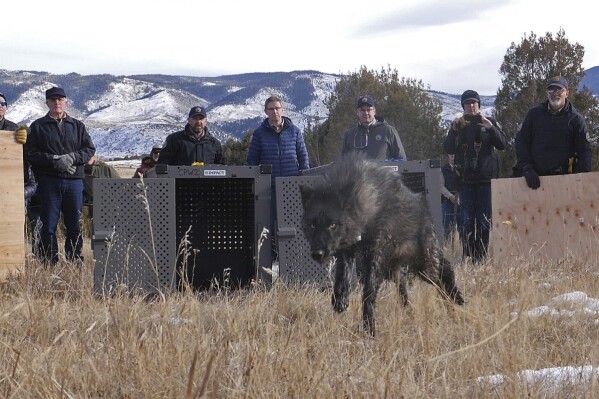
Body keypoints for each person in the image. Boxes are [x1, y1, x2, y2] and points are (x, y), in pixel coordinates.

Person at [24, 87, 96, 264]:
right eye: (53, 99)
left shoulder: (78, 126)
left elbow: (89, 150)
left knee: (74, 224)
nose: (57, 102)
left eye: (60, 99)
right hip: (49, 181)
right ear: (47, 102)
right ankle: (48, 260)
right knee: (48, 224)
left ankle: (75, 260)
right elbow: (30, 153)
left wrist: (72, 158)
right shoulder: (38, 126)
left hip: (74, 182)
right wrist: (54, 160)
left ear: (66, 102)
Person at [443, 89, 508, 262]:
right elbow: (448, 148)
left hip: (486, 181)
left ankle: (481, 257)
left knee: (484, 222)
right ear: (463, 106)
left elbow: (503, 145)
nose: (471, 106)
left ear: (479, 105)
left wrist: (491, 128)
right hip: (465, 182)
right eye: (467, 103)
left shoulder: (489, 122)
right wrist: (454, 131)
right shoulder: (458, 125)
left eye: (474, 103)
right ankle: (467, 256)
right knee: (466, 221)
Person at [246, 95, 310, 260]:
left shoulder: (294, 131)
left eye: (277, 108)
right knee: (271, 223)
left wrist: (304, 180)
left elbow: (303, 158)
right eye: (271, 109)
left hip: (292, 186)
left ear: (282, 110)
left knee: (294, 223)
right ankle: (272, 258)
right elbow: (252, 161)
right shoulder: (259, 134)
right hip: (270, 187)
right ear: (266, 112)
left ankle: (294, 257)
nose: (275, 111)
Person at [515, 76, 592, 189]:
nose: (555, 93)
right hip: (534, 181)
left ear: (567, 93)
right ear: (547, 93)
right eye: (551, 90)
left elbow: (584, 152)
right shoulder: (533, 115)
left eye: (559, 90)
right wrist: (527, 168)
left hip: (564, 182)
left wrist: (578, 181)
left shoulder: (576, 120)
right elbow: (521, 142)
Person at [341, 95, 406, 161]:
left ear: (374, 111)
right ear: (357, 113)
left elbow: (401, 160)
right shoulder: (349, 134)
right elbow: (343, 162)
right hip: (357, 171)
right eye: (362, 110)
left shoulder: (388, 130)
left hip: (382, 171)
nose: (366, 113)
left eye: (368, 110)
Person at [157, 106, 224, 165]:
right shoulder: (174, 140)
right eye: (195, 118)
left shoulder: (215, 144)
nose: (198, 122)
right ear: (189, 120)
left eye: (201, 118)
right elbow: (162, 164)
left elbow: (222, 168)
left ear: (206, 121)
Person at [440, 154, 461, 240]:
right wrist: (450, 196)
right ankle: (446, 249)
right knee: (446, 228)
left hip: (461, 201)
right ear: (448, 156)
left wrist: (459, 197)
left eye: (454, 155)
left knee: (462, 228)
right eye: (451, 155)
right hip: (447, 201)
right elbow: (440, 186)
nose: (453, 157)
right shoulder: (443, 169)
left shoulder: (462, 168)